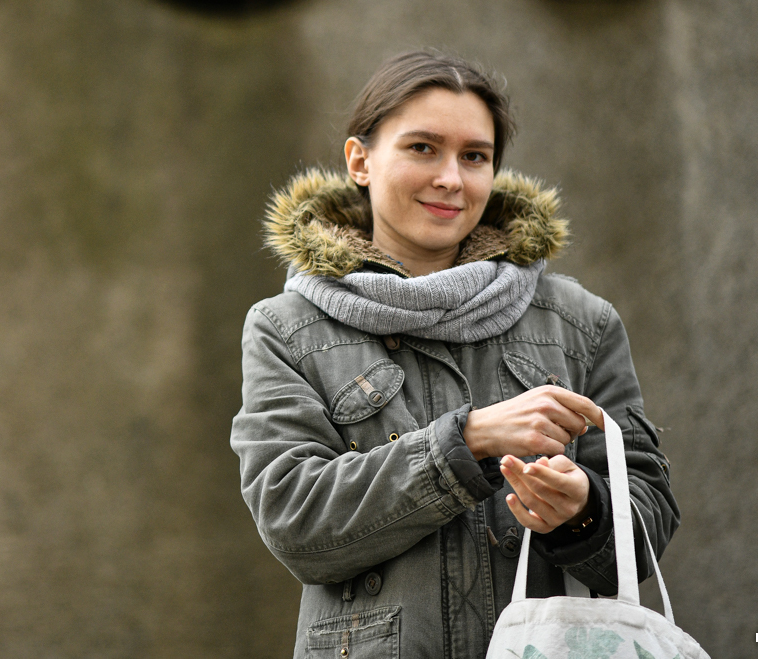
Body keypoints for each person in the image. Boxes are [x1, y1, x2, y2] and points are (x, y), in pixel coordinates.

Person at [230, 51, 678, 659]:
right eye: (422, 148)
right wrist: (465, 442)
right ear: (360, 161)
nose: (451, 178)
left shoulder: (579, 322)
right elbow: (295, 521)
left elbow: (646, 515)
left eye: (475, 156)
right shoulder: (287, 329)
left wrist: (584, 513)